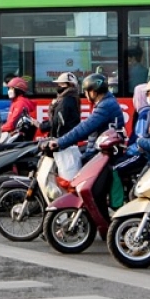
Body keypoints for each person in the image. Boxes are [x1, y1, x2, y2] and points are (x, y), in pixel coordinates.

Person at [51, 73, 125, 221]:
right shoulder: (104, 103)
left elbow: (85, 127)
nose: (85, 95)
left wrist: (60, 142)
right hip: (99, 151)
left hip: (105, 154)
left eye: (86, 91)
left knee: (92, 191)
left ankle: (105, 224)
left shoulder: (105, 105)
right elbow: (89, 131)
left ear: (94, 91)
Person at [42, 72, 81, 139]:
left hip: (63, 138)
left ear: (70, 85)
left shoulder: (66, 100)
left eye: (62, 84)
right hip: (68, 137)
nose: (59, 86)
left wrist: (41, 126)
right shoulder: (72, 97)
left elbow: (57, 122)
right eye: (59, 84)